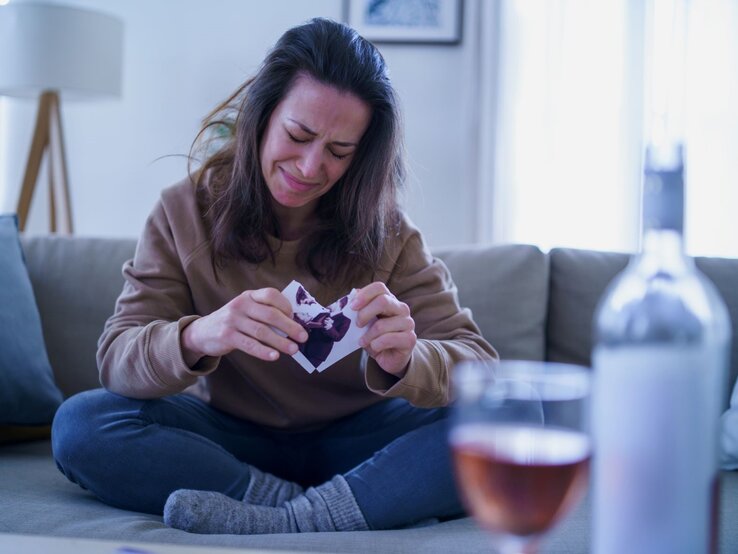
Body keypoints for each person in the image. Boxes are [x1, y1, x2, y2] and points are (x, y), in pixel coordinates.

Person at [51, 17, 497, 534]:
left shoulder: (389, 233)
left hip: (359, 443)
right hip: (230, 441)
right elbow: (117, 359)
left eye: (338, 152)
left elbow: (481, 366)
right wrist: (200, 334)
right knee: (82, 425)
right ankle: (295, 505)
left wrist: (409, 361)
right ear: (262, 116)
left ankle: (291, 519)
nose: (310, 167)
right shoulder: (183, 211)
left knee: (516, 420)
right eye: (299, 135)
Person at [292, 286, 351, 369]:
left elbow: (338, 337)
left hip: (317, 353)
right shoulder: (322, 313)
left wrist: (330, 328)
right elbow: (310, 325)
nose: (329, 302)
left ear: (340, 304)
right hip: (303, 346)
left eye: (334, 301)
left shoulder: (345, 320)